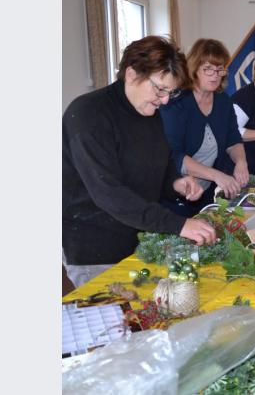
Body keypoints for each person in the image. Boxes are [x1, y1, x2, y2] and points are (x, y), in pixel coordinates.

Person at [63, 36, 216, 287]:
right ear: (132, 74)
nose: (165, 100)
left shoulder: (148, 110)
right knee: (111, 321)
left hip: (136, 236)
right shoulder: (88, 115)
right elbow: (108, 193)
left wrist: (175, 182)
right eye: (160, 89)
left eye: (171, 91)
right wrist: (178, 225)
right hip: (94, 248)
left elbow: (161, 160)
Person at [160, 38, 248, 217]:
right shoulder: (176, 102)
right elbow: (174, 155)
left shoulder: (223, 101)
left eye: (220, 69)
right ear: (194, 69)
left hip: (208, 193)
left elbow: (233, 138)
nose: (215, 75)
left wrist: (241, 162)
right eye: (208, 69)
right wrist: (216, 175)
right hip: (177, 192)